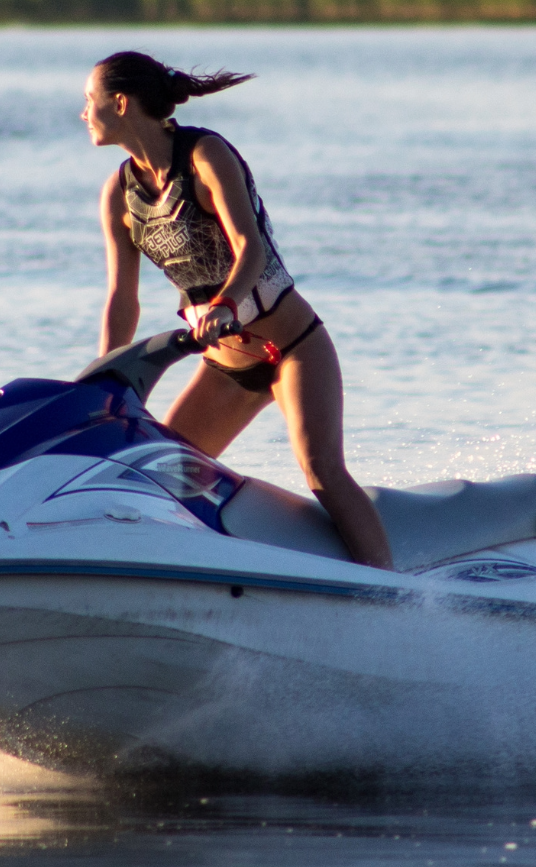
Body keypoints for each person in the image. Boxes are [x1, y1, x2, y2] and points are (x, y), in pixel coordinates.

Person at [82, 50, 394, 570]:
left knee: (320, 470)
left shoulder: (206, 156)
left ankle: (393, 592)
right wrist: (105, 377)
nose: (83, 112)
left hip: (292, 349)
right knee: (162, 482)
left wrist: (225, 304)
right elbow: (123, 297)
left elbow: (249, 247)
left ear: (120, 103)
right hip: (228, 369)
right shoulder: (118, 193)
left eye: (88, 101)